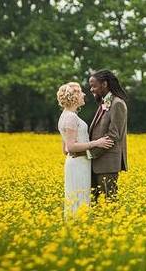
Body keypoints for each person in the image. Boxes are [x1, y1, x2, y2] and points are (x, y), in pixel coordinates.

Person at [56, 82, 113, 219]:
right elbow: (70, 147)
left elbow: (65, 149)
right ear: (74, 97)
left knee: (77, 197)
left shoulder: (65, 115)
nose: (84, 94)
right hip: (79, 164)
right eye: (80, 92)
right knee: (79, 198)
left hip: (75, 162)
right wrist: (96, 143)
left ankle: (76, 227)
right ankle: (78, 226)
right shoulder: (71, 117)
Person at [86, 70, 129, 203]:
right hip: (96, 163)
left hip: (108, 164)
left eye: (94, 86)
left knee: (108, 204)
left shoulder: (117, 104)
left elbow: (113, 135)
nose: (91, 89)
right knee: (96, 204)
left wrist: (89, 153)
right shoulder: (104, 103)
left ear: (104, 84)